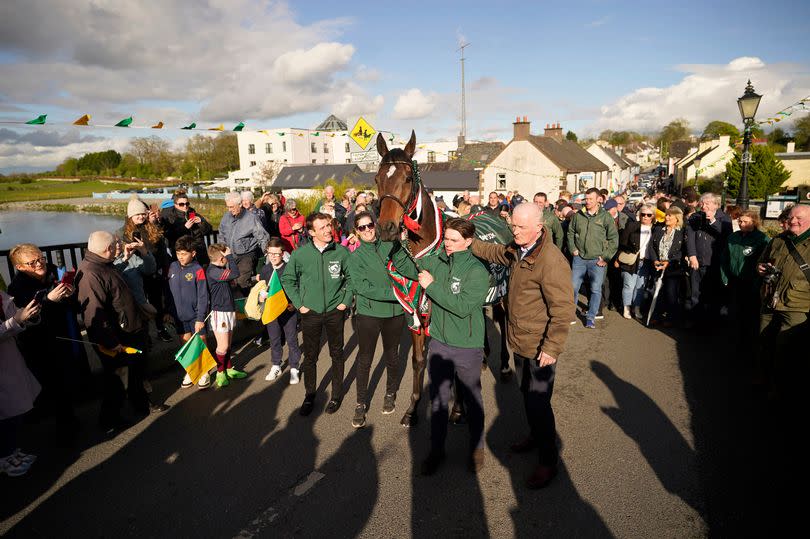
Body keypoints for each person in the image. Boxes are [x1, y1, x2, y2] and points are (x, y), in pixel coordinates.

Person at [471, 202, 574, 489]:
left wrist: (551, 348)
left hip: (541, 347)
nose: (513, 231)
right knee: (527, 395)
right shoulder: (519, 248)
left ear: (538, 227)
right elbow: (494, 252)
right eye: (512, 225)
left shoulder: (551, 261)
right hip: (520, 341)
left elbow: (563, 310)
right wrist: (470, 243)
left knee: (539, 403)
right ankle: (535, 435)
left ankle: (548, 460)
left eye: (520, 227)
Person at [391, 218, 490, 475]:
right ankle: (437, 450)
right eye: (445, 238)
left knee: (471, 400)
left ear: (468, 242)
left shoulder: (478, 271)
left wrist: (431, 286)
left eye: (453, 240)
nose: (447, 244)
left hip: (467, 346)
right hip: (440, 344)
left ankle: (477, 449)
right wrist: (397, 243)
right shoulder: (438, 260)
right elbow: (407, 267)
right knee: (438, 401)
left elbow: (462, 307)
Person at [75, 231, 169, 434]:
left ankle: (141, 404)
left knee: (136, 371)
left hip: (130, 328)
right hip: (118, 336)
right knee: (117, 379)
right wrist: (110, 341)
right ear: (107, 249)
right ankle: (110, 420)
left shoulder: (103, 264)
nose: (119, 246)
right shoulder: (91, 274)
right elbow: (94, 315)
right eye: (116, 244)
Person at [280, 212, 351, 416]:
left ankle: (336, 395)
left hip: (335, 312)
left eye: (329, 225)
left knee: (337, 354)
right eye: (322, 228)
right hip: (310, 313)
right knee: (310, 356)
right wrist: (300, 304)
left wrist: (345, 302)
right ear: (311, 232)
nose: (329, 230)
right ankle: (310, 395)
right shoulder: (300, 254)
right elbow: (288, 280)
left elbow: (351, 279)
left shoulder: (341, 252)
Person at [8, 244, 81, 433]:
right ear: (20, 267)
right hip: (41, 343)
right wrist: (49, 300)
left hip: (64, 334)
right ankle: (64, 429)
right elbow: (29, 320)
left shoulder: (55, 272)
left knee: (67, 379)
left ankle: (70, 418)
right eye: (32, 262)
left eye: (40, 258)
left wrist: (70, 294)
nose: (39, 264)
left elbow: (72, 305)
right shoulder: (17, 287)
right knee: (54, 384)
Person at [345, 212, 405, 428]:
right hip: (369, 314)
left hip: (394, 314)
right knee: (365, 359)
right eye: (362, 228)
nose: (368, 230)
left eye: (370, 225)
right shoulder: (355, 256)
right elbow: (361, 287)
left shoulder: (391, 246)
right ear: (356, 232)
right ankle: (361, 403)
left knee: (392, 355)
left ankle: (390, 392)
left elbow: (406, 268)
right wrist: (396, 293)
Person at [757, 204, 810, 400]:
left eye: (799, 218)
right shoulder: (779, 239)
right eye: (791, 217)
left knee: (786, 350)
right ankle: (763, 378)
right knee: (765, 342)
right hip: (771, 299)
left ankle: (781, 389)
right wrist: (760, 268)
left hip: (798, 305)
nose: (792, 221)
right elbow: (762, 261)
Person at [0, 289, 41, 476]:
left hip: (10, 360)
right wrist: (16, 321)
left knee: (14, 412)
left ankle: (12, 451)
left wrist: (28, 315)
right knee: (6, 414)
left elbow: (15, 313)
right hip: (5, 364)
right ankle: (5, 457)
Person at [121, 196, 172, 342]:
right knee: (140, 304)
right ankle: (145, 334)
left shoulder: (152, 228)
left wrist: (163, 268)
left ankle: (160, 329)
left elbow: (162, 251)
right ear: (131, 216)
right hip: (135, 275)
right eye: (137, 214)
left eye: (143, 214)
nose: (141, 217)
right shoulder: (123, 232)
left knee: (156, 302)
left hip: (154, 272)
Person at [567, 187, 619, 328]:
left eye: (590, 199)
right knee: (573, 287)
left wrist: (606, 257)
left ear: (598, 200)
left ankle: (591, 317)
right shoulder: (579, 215)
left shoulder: (605, 217)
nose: (587, 201)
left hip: (597, 260)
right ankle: (570, 314)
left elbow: (614, 239)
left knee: (596, 289)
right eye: (586, 198)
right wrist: (573, 249)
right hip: (579, 259)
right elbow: (570, 232)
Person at [721, 209, 770, 349]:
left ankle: (749, 343)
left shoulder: (762, 239)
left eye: (745, 221)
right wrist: (725, 277)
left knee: (750, 314)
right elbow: (724, 259)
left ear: (754, 222)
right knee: (735, 312)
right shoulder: (733, 237)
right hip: (735, 280)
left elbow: (766, 261)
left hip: (752, 282)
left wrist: (758, 282)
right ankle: (735, 341)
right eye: (740, 221)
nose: (742, 224)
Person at [168, 236, 211, 389]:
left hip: (195, 316)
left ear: (193, 253)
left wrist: (200, 318)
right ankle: (191, 369)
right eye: (178, 253)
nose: (180, 257)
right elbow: (169, 292)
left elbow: (202, 295)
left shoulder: (198, 270)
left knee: (200, 341)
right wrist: (169, 311)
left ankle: (205, 370)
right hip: (179, 316)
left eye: (184, 253)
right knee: (186, 345)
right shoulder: (172, 266)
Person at [685, 193, 732, 325]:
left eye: (707, 204)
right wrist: (692, 255)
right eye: (702, 204)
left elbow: (726, 236)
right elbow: (690, 236)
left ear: (716, 204)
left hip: (715, 262)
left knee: (713, 294)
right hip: (697, 261)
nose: (704, 206)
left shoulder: (724, 218)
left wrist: (712, 221)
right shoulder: (695, 216)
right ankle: (696, 321)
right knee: (696, 293)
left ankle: (711, 323)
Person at [206, 243, 248, 388]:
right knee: (222, 346)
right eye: (225, 257)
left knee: (228, 344)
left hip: (229, 310)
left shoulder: (219, 269)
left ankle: (229, 369)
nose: (228, 259)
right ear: (221, 259)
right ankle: (220, 372)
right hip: (220, 312)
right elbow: (236, 273)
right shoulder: (213, 271)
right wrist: (229, 255)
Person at [260, 239, 301, 384]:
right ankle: (276, 365)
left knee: (291, 339)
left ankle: (294, 367)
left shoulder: (290, 268)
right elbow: (261, 288)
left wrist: (294, 304)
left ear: (283, 254)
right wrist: (261, 296)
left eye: (276, 254)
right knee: (275, 339)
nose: (273, 256)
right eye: (270, 253)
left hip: (288, 311)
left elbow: (299, 288)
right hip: (272, 311)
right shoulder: (265, 270)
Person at [219, 191, 270, 294]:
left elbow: (263, 236)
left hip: (246, 254)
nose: (229, 210)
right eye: (228, 207)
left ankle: (247, 303)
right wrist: (222, 246)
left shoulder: (251, 218)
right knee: (231, 281)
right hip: (229, 254)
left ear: (240, 204)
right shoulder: (226, 217)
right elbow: (221, 232)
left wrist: (267, 253)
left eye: (232, 207)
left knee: (242, 281)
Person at [616, 203, 656, 319]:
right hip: (631, 260)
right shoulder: (632, 226)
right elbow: (622, 243)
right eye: (643, 214)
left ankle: (636, 308)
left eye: (649, 215)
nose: (645, 217)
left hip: (646, 262)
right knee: (629, 285)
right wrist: (618, 258)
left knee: (640, 287)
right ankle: (626, 308)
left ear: (653, 216)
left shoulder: (655, 229)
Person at [650, 207, 687, 327]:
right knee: (658, 292)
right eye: (666, 215)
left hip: (673, 268)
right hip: (658, 266)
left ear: (677, 218)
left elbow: (682, 252)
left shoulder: (681, 233)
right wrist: (655, 260)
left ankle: (671, 317)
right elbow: (652, 246)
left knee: (671, 293)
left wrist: (668, 262)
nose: (667, 217)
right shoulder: (659, 230)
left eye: (670, 216)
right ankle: (657, 315)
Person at [160, 190, 213, 265]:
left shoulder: (194, 214)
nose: (185, 206)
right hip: (182, 254)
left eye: (187, 204)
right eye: (181, 204)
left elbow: (209, 231)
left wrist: (201, 223)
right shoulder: (170, 217)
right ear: (175, 204)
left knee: (202, 274)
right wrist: (184, 227)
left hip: (199, 252)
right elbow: (168, 235)